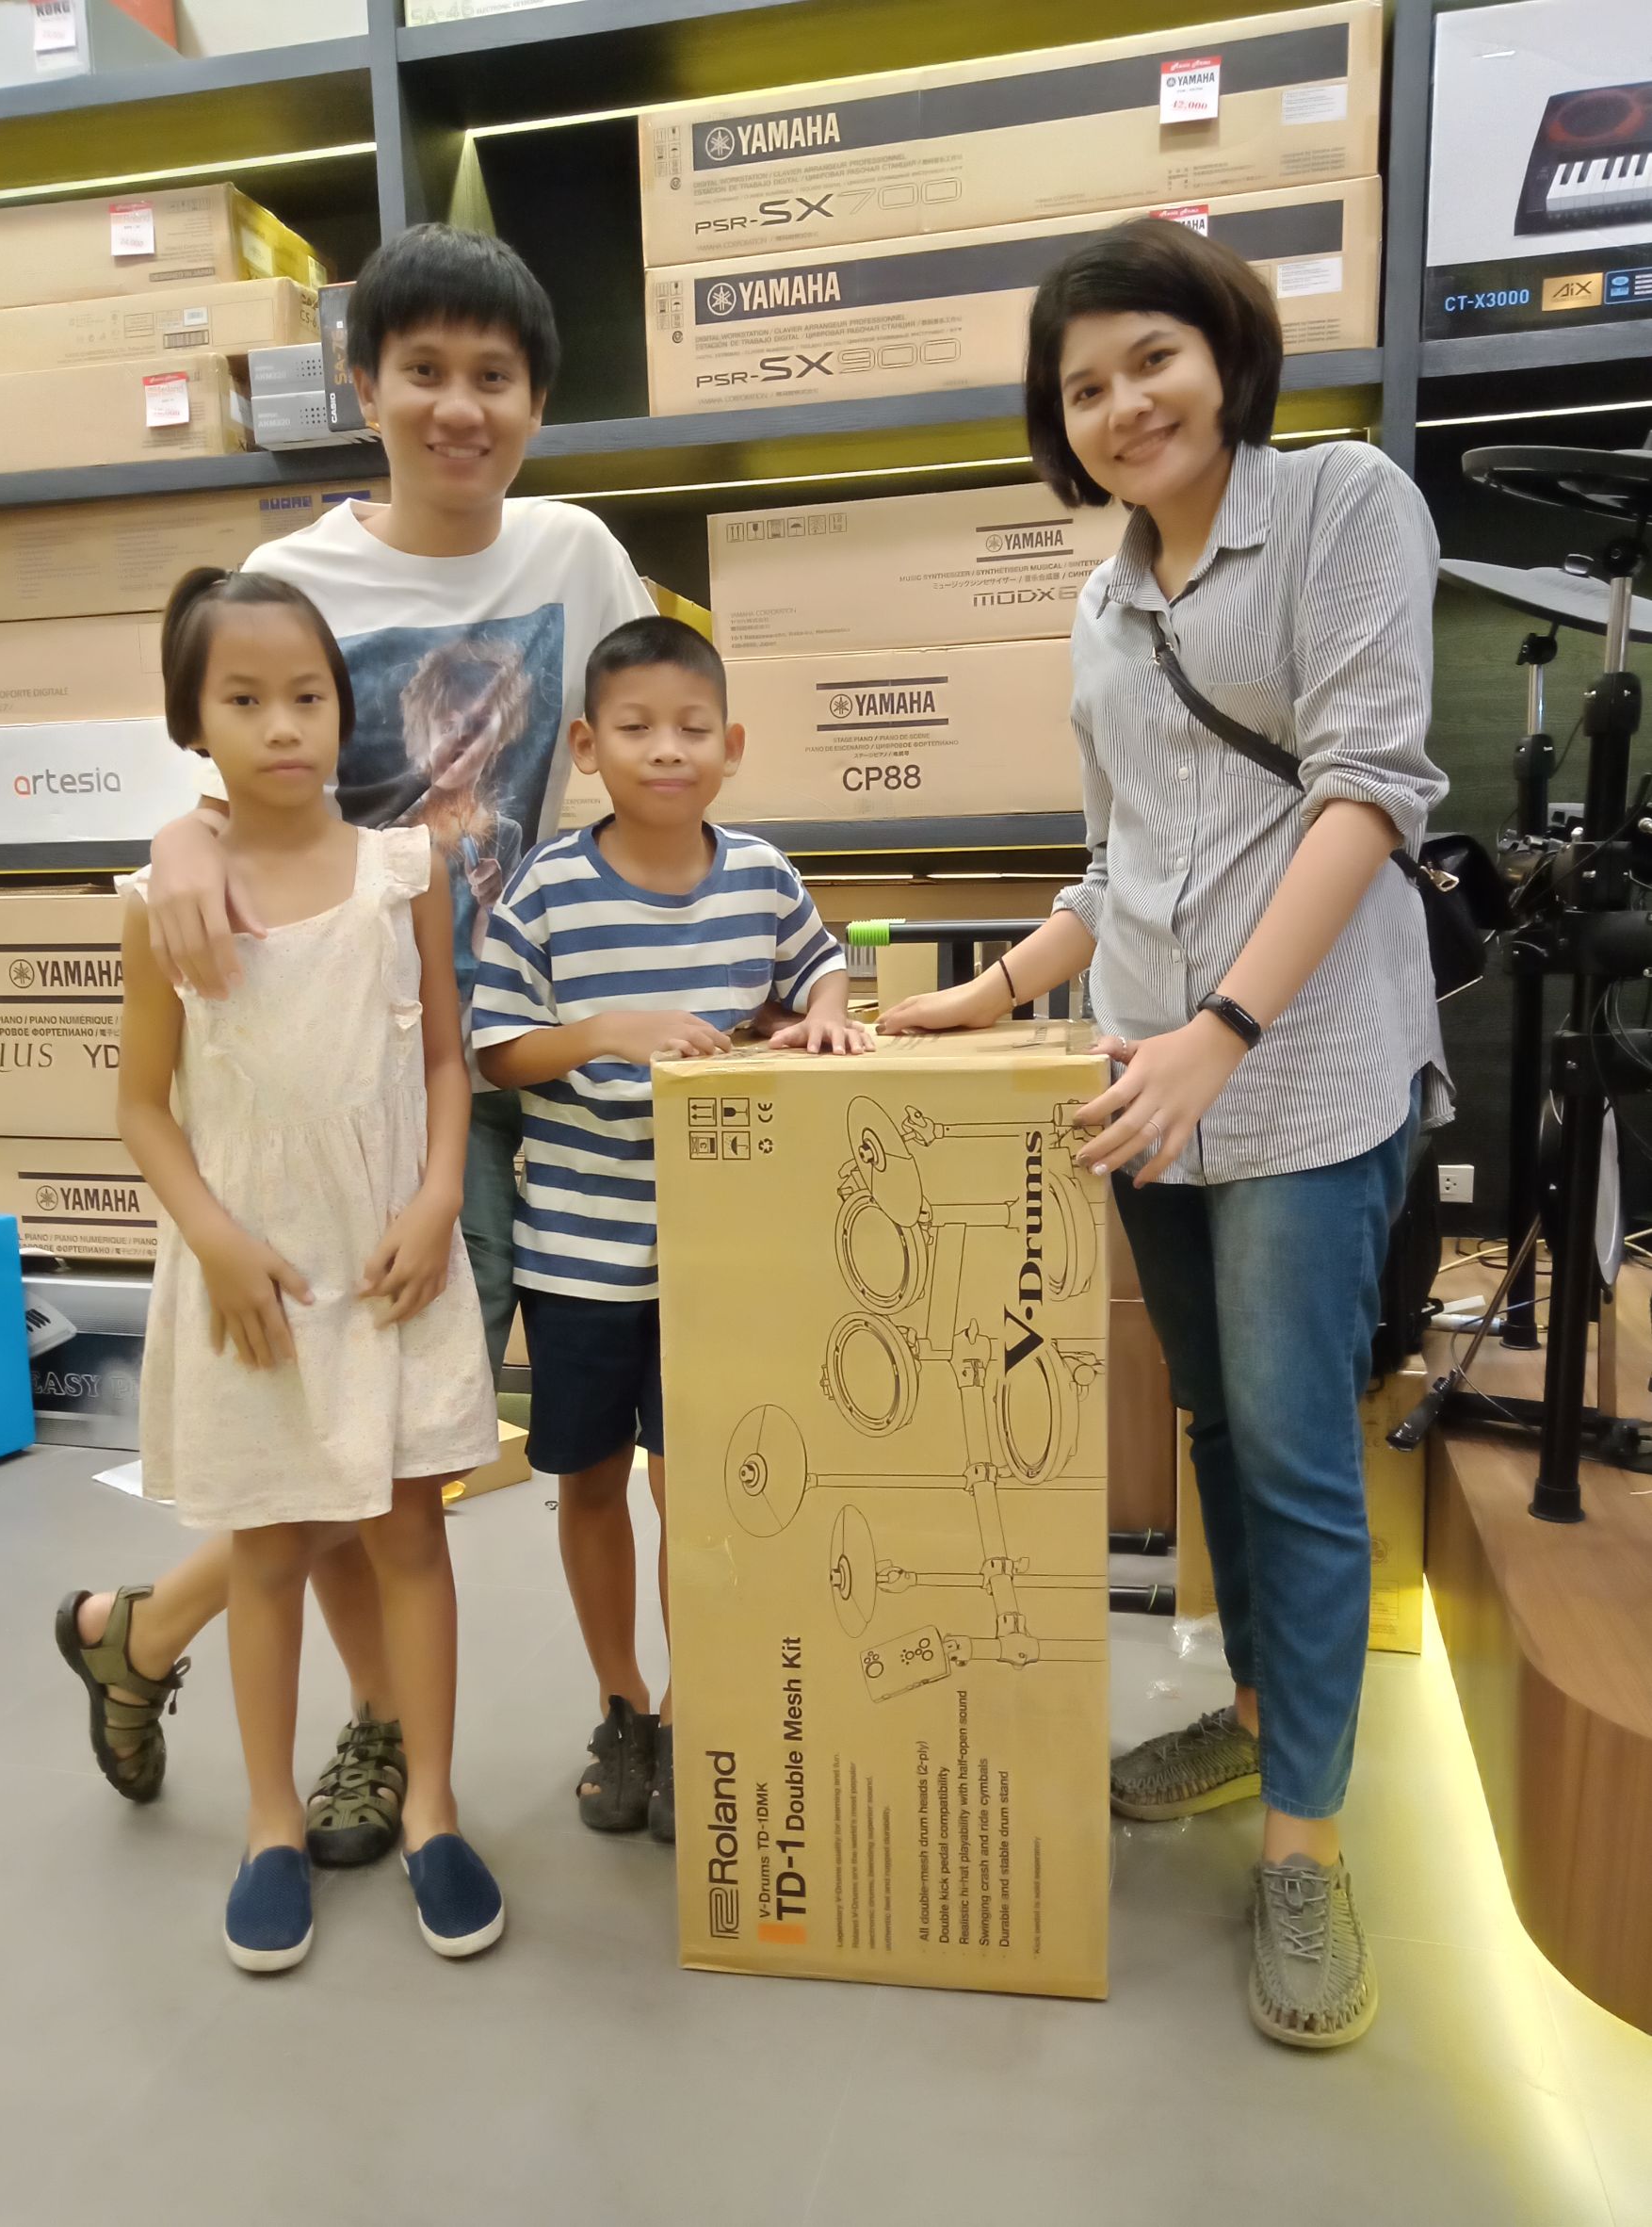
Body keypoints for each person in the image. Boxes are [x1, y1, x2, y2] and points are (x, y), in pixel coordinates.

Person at [881, 219, 1450, 2049]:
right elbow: (1117, 859)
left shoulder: (1342, 505)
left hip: (1298, 1078)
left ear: (1223, 355)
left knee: (1290, 1452)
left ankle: (1304, 1848)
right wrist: (990, 992)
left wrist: (1223, 1030)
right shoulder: (1103, 601)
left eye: (1151, 358)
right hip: (1145, 1088)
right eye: (1082, 387)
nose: (1123, 404)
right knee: (1210, 1420)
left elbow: (1365, 792)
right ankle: (1263, 1716)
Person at [57, 225, 654, 1863]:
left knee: (410, 1429)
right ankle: (376, 1733)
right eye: (423, 370)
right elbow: (229, 739)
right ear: (363, 385)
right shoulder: (310, 573)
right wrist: (178, 835)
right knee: (355, 1424)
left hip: (518, 1036)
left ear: (538, 400)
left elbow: (652, 732)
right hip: (350, 1071)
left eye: (494, 376)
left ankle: (141, 1633)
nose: (459, 407)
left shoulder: (578, 555)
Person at [99, 568, 503, 1970]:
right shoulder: (164, 904)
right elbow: (141, 1105)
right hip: (255, 1282)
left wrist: (441, 1194)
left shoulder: (406, 873)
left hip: (393, 1265)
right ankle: (271, 1824)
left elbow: (446, 1057)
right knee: (269, 1552)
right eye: (244, 699)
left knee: (411, 1535)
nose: (283, 725)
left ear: (345, 708)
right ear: (191, 724)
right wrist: (213, 1240)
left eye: (308, 695)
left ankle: (433, 1809)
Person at [472, 616, 871, 1840]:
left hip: (723, 1254)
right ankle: (622, 1703)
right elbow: (496, 1052)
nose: (666, 750)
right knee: (590, 1481)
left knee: (695, 1488)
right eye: (637, 728)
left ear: (731, 746)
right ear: (588, 746)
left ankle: (701, 1701)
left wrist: (825, 1009)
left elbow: (820, 964)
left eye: (692, 728)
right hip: (580, 1257)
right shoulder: (547, 887)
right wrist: (604, 1031)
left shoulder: (759, 875)